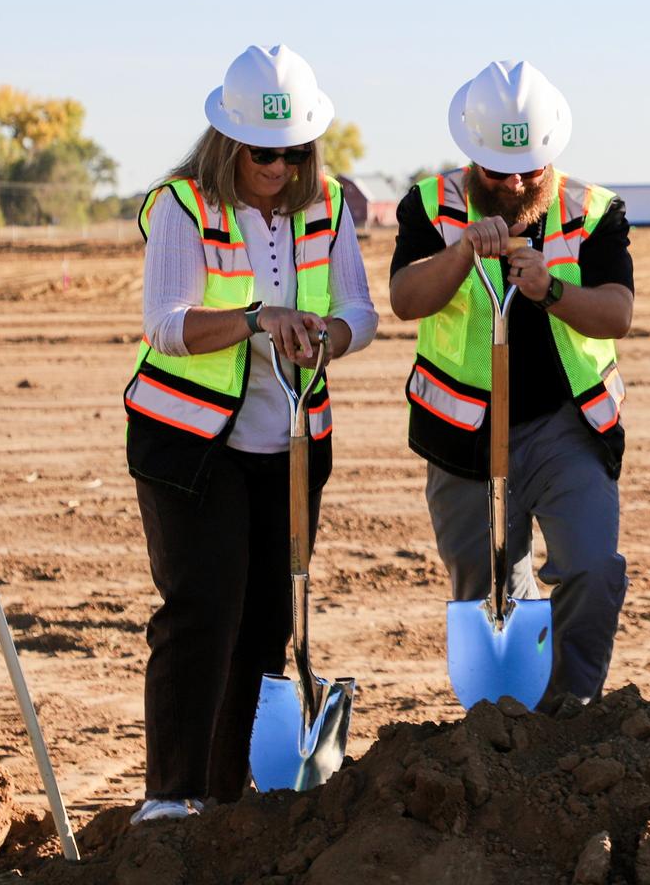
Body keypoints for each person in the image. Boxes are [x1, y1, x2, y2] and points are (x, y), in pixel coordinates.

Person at [124, 44, 377, 821]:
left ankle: (230, 801)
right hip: (191, 443)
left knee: (270, 620)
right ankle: (171, 797)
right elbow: (164, 328)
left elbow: (361, 313)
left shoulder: (328, 207)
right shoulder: (182, 206)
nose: (280, 166)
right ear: (229, 140)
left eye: (295, 150)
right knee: (204, 607)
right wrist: (255, 320)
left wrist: (326, 335)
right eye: (266, 153)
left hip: (293, 441)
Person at [389, 60, 633, 705]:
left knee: (591, 567)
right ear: (472, 158)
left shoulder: (594, 211)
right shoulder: (430, 204)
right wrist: (463, 251)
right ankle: (507, 722)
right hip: (463, 433)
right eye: (499, 169)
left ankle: (569, 710)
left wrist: (551, 289)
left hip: (567, 428)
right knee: (486, 585)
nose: (517, 180)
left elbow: (618, 313)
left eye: (531, 166)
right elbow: (406, 300)